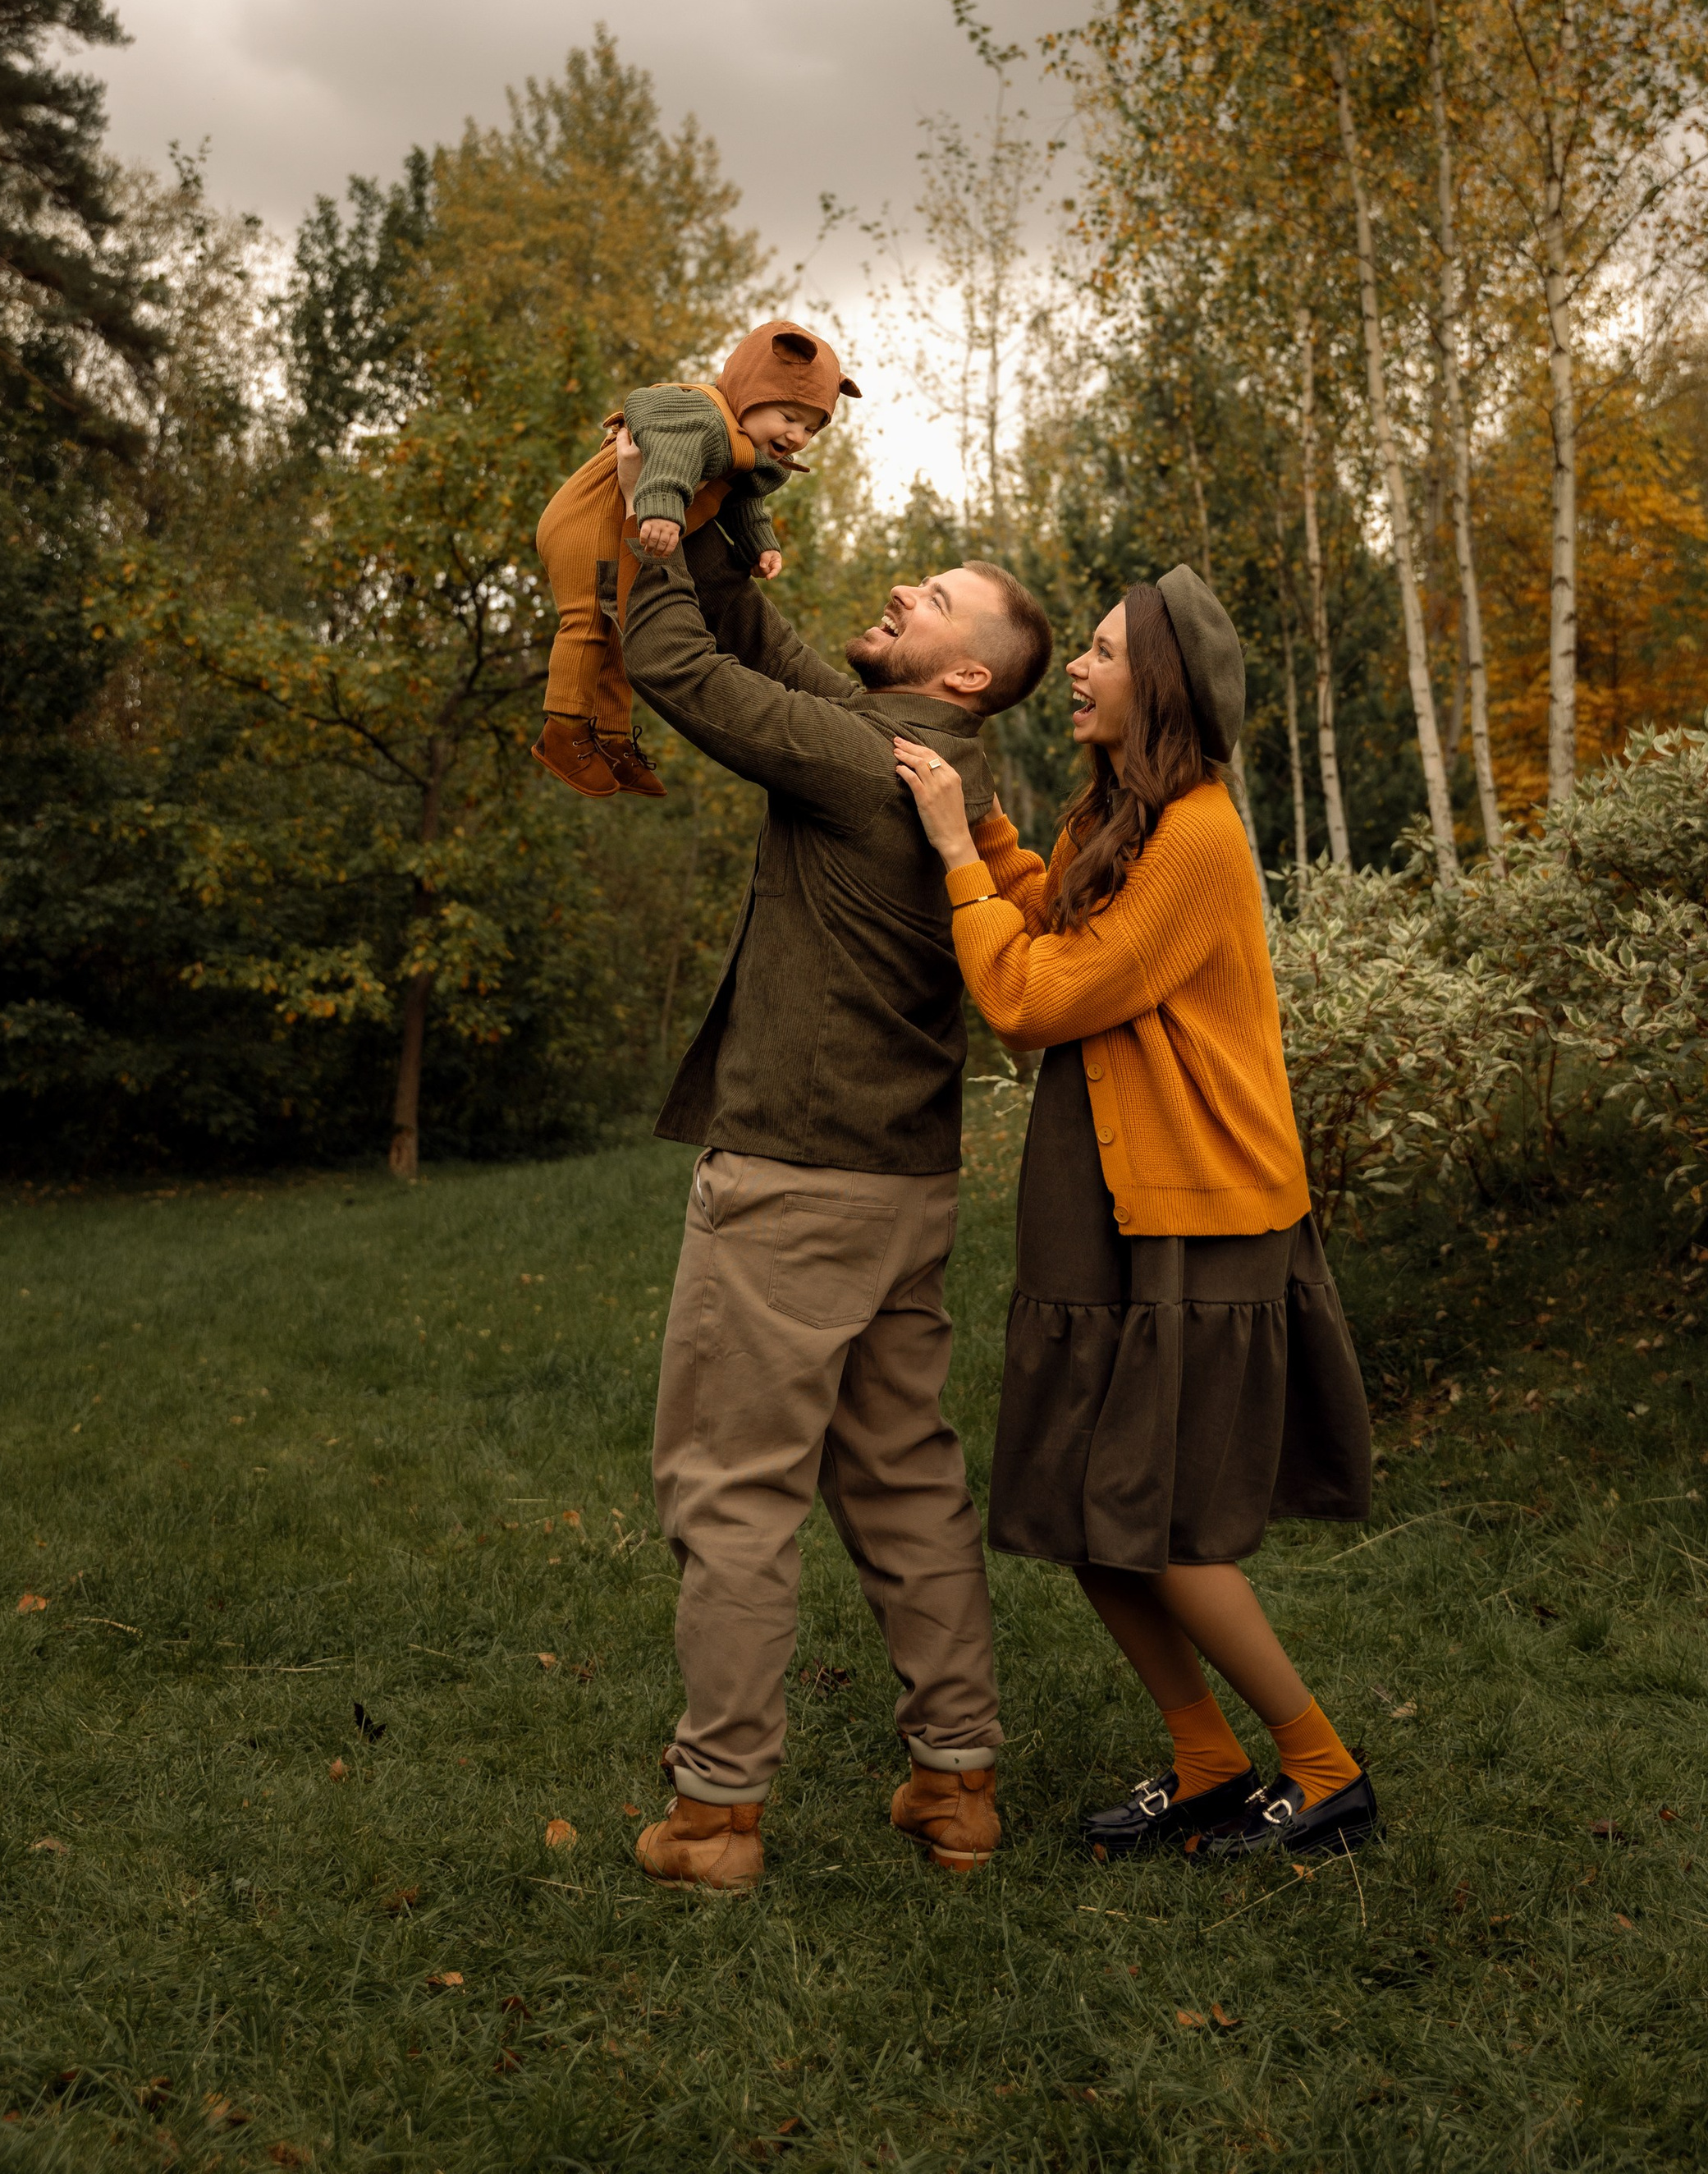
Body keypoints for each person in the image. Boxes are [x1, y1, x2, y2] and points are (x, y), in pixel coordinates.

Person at [893, 566, 1378, 1865]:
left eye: (1104, 653)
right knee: (1079, 1506)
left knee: (1150, 1512)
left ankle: (1323, 1768)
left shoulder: (1199, 836)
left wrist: (950, 854)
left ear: (1155, 683)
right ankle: (1208, 1758)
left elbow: (1039, 994)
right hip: (1100, 1200)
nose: (1085, 672)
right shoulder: (1120, 821)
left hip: (1198, 1209)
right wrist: (985, 824)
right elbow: (1046, 911)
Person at [614, 484, 1054, 1892]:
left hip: (798, 1183)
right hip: (906, 1188)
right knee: (907, 1482)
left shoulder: (858, 761)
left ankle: (717, 1816)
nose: (903, 592)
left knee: (733, 1492)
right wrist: (732, 552)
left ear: (968, 671)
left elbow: (680, 667)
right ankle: (957, 1786)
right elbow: (775, 651)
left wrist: (657, 542)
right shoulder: (943, 769)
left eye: (931, 595)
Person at [531, 318, 860, 800]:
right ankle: (562, 731)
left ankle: (612, 738)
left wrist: (759, 545)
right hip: (587, 520)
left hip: (623, 524)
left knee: (619, 633)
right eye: (790, 416)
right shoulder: (699, 416)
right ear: (750, 392)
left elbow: (742, 501)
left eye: (812, 427)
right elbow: (665, 459)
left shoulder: (740, 447)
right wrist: (660, 509)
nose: (800, 436)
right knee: (585, 622)